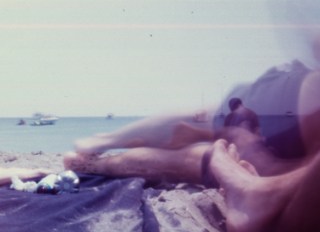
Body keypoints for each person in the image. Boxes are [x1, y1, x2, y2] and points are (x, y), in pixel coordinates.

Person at [64, 60, 315, 184]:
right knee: (206, 158)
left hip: (298, 89)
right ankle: (100, 163)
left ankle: (101, 144)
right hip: (299, 111)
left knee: (212, 123)